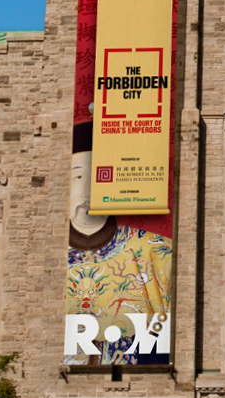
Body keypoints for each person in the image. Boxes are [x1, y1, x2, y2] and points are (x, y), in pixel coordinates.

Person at [64, 116, 172, 365]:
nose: (88, 191)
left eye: (100, 176)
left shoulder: (153, 249)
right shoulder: (46, 257)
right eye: (79, 177)